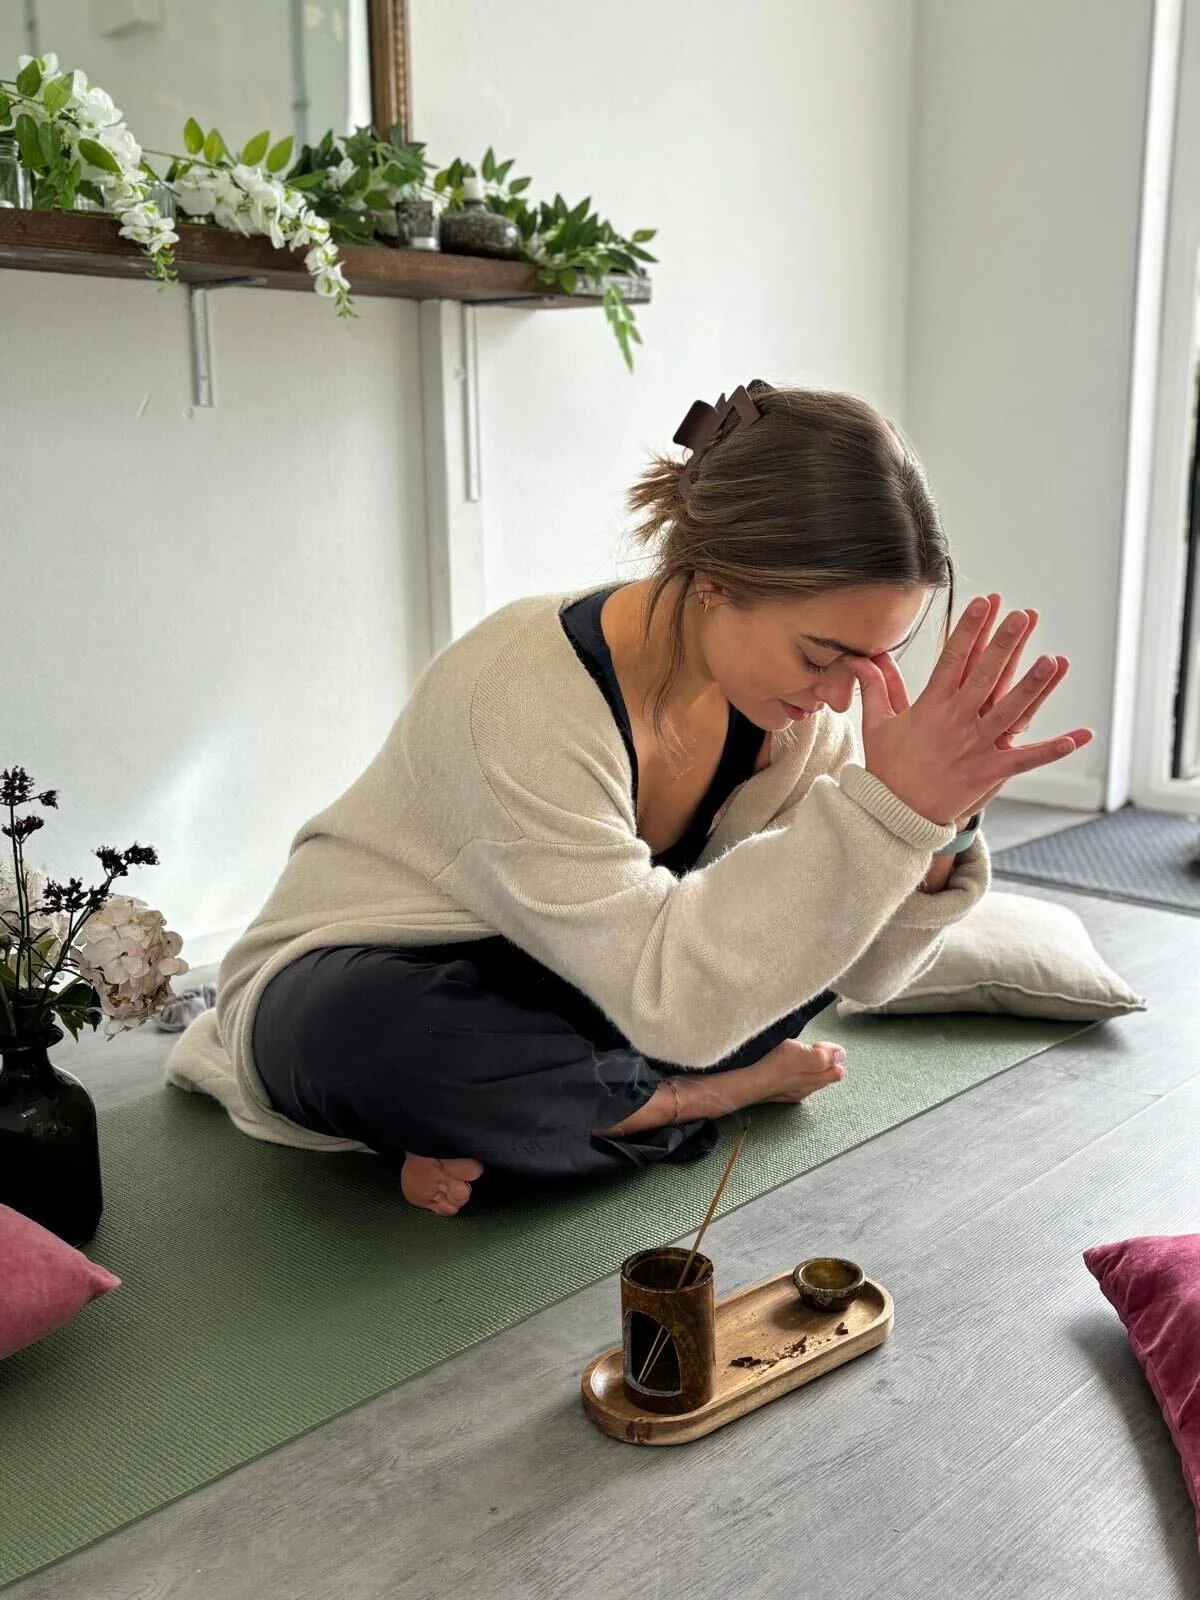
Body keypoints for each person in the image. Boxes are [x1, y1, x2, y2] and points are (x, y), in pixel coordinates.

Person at [166, 382, 1092, 1217]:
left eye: (875, 659)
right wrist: (879, 818)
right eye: (821, 655)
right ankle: (692, 1101)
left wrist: (935, 820)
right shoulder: (518, 691)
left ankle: (559, 1121)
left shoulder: (795, 714)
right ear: (715, 579)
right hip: (367, 969)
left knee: (782, 949)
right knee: (405, 1048)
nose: (845, 694)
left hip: (590, 974)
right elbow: (679, 1007)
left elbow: (865, 976)